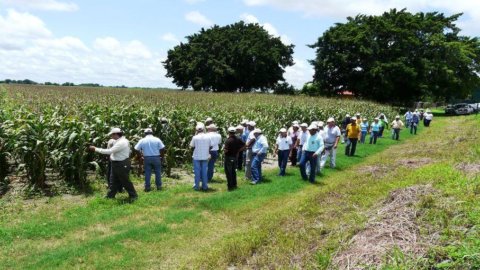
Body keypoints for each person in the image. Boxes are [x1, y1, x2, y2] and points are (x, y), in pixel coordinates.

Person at [89, 128, 138, 202]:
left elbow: (110, 151)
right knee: (113, 180)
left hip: (121, 163)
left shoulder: (122, 142)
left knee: (125, 180)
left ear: (116, 134)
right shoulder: (117, 141)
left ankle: (133, 195)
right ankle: (110, 195)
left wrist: (95, 149)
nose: (111, 136)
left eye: (112, 134)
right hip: (116, 163)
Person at [190, 123, 212, 191]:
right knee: (204, 171)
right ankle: (205, 186)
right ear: (203, 129)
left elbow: (191, 146)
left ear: (197, 130)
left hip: (196, 156)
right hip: (205, 156)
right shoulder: (208, 137)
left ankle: (196, 186)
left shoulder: (195, 137)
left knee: (197, 172)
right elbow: (211, 146)